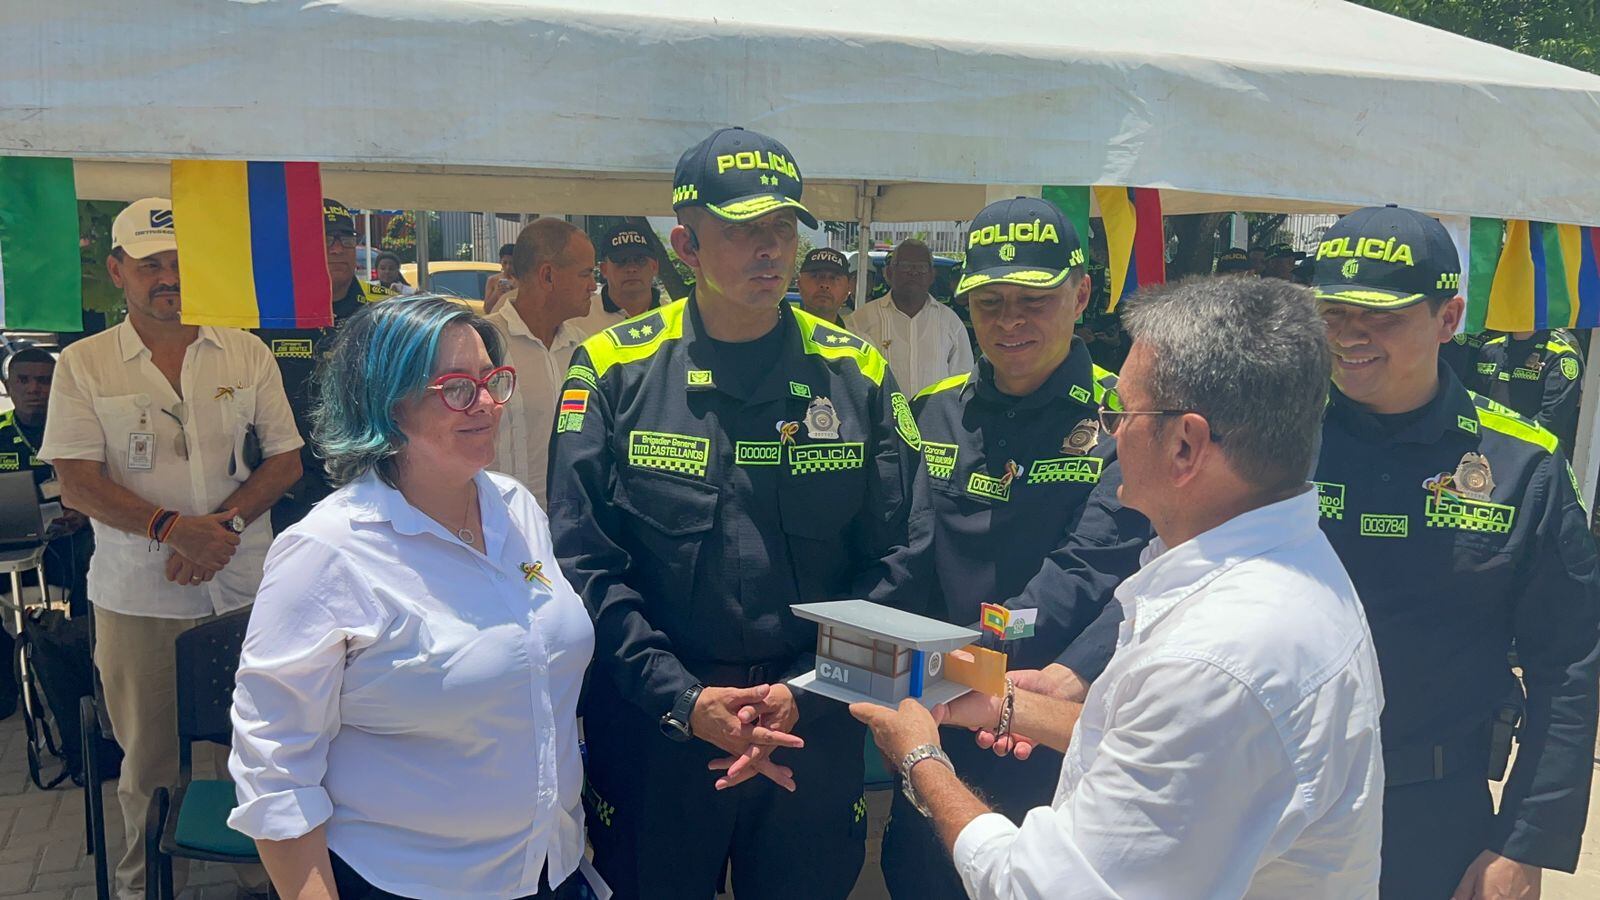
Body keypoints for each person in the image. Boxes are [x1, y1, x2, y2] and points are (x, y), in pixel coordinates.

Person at [855, 275, 1385, 898]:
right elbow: (1165, 752)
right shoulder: (1276, 569)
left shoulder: (1216, 658)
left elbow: (1045, 889)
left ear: (1185, 444)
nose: (1108, 434)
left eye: (1119, 414)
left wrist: (923, 762)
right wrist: (1010, 704)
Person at [546, 126, 920, 900]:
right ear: (684, 242)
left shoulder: (857, 372)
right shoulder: (613, 370)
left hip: (810, 728)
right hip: (659, 731)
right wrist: (683, 701)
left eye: (781, 227)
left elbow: (900, 561)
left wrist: (806, 692)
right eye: (742, 229)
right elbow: (582, 562)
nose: (769, 249)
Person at [228, 296, 595, 899]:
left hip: (549, 870)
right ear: (386, 403)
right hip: (408, 883)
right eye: (455, 388)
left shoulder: (516, 510)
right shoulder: (328, 551)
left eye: (492, 381)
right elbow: (274, 768)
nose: (486, 404)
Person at [1311, 205, 1600, 899]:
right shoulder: (1268, 439)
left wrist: (1524, 841)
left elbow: (1568, 665)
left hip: (1431, 812)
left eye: (1382, 315)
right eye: (1335, 311)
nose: (1352, 334)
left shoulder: (1520, 464)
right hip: (1269, 797)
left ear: (1449, 318)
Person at [877, 196, 1150, 900]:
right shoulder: (932, 410)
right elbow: (905, 559)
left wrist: (957, 665)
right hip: (938, 721)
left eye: (1034, 300)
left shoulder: (1124, 416)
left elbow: (1084, 573)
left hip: (1052, 726)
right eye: (990, 303)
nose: (1010, 322)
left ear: (1081, 294)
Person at [38, 198, 303, 900]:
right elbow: (76, 483)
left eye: (182, 263)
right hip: (137, 597)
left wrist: (222, 529)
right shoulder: (84, 364)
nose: (168, 278)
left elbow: (286, 460)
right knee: (150, 762)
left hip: (245, 587)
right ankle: (145, 888)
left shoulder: (245, 347)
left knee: (255, 753)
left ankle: (260, 880)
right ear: (117, 270)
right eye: (150, 264)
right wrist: (169, 528)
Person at [256, 199, 396, 532]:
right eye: (325, 239)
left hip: (367, 481)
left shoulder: (385, 308)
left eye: (346, 239)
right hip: (289, 489)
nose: (337, 249)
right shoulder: (269, 311)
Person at [487, 218, 595, 506]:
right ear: (547, 276)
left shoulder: (583, 348)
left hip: (565, 537)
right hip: (494, 536)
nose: (594, 286)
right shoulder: (481, 344)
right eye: (586, 274)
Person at [0, 348, 93, 608]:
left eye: (44, 381)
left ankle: (76, 640)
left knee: (92, 552)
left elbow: (104, 482)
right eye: (23, 380)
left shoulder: (80, 431)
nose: (33, 389)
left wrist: (84, 516)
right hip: (9, 538)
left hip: (68, 536)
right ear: (7, 385)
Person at [851, 238, 974, 395]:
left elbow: (963, 382)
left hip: (935, 419)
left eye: (921, 267)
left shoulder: (950, 322)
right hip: (880, 419)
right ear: (889, 273)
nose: (913, 272)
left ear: (932, 275)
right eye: (905, 266)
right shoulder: (861, 321)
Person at [1475, 328, 1584, 449]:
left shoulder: (1561, 356)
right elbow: (1474, 399)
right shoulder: (1489, 348)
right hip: (1487, 445)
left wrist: (1511, 441)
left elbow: (1553, 417)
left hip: (1532, 450)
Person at [571, 223, 666, 335]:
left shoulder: (675, 317)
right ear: (604, 269)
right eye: (622, 261)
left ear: (654, 267)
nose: (631, 269)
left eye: (640, 260)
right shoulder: (579, 319)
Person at [795, 247, 855, 327]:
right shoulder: (777, 335)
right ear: (799, 284)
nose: (825, 284)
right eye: (815, 276)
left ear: (847, 290)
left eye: (833, 278)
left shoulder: (857, 338)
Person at [483, 242, 518, 313]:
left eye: (511, 263)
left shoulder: (522, 281)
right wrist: (497, 291)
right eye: (505, 263)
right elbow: (487, 309)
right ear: (500, 261)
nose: (508, 267)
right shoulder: (493, 280)